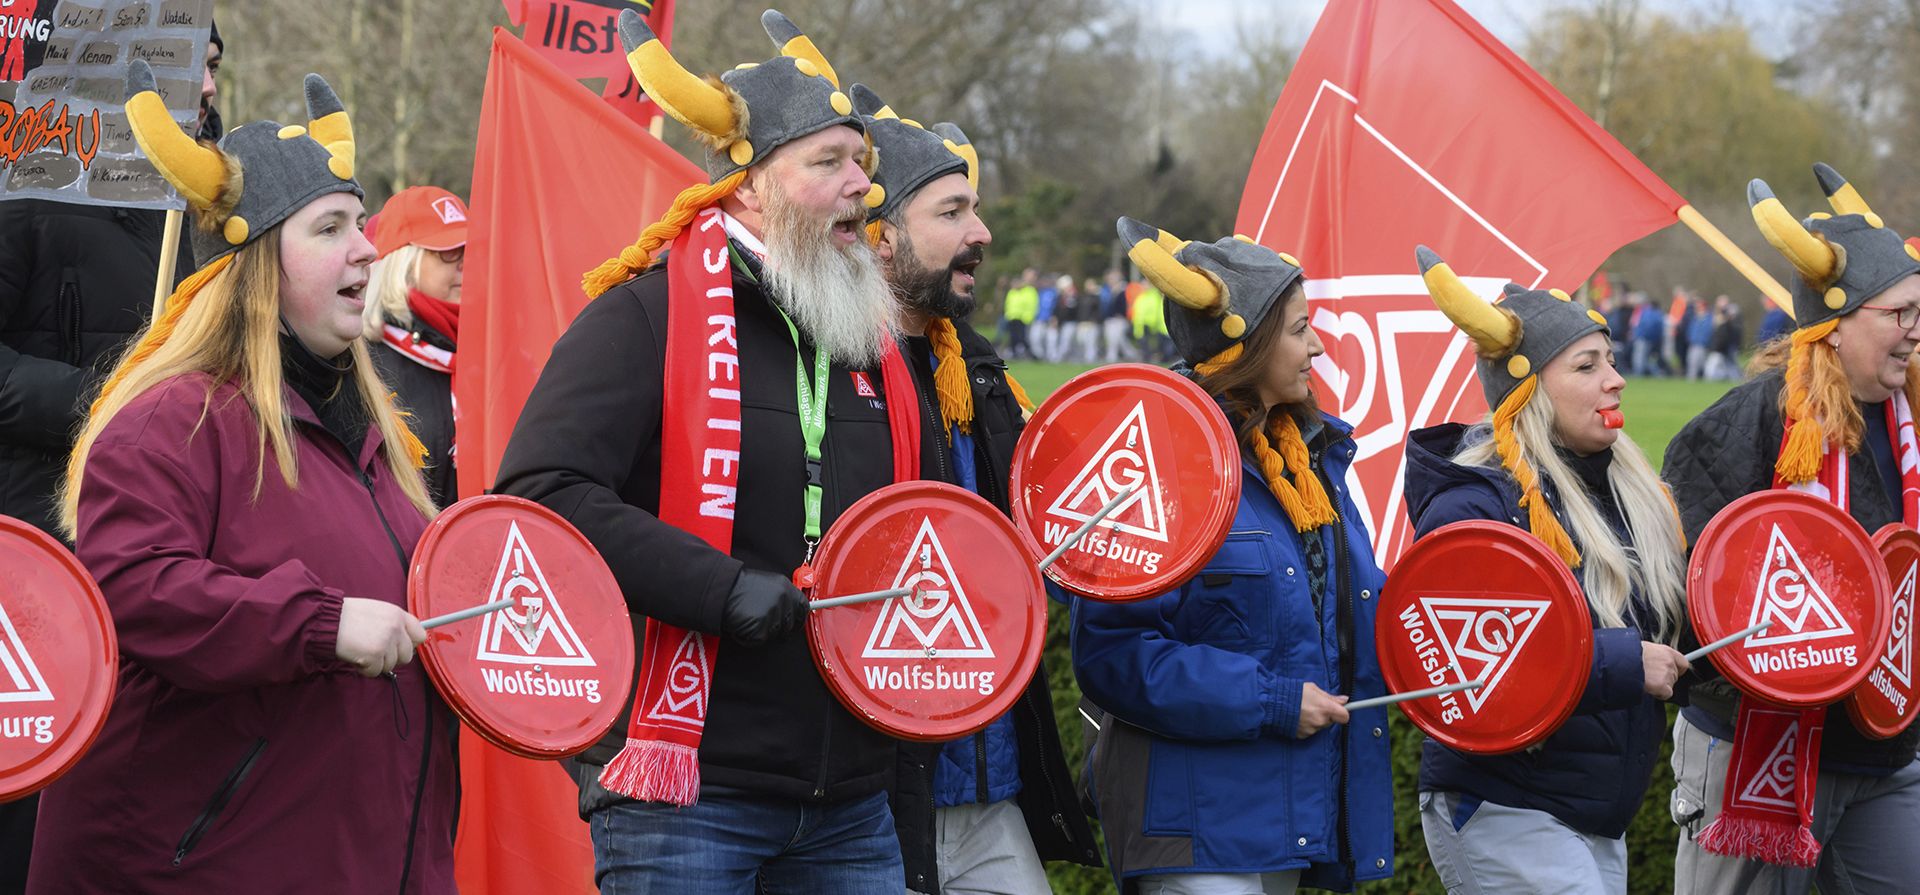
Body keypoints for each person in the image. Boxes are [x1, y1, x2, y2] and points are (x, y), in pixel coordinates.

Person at [491, 11, 921, 892]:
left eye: (862, 166)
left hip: (852, 795)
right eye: (829, 164)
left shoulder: (870, 345)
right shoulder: (644, 315)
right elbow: (541, 494)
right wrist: (718, 590)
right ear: (749, 185)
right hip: (690, 799)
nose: (863, 190)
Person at [30, 67, 453, 893]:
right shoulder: (167, 423)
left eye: (362, 225)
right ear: (257, 264)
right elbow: (133, 592)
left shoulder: (382, 438)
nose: (368, 247)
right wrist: (321, 625)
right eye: (331, 228)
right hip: (195, 865)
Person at [1074, 219, 1394, 894]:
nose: (1318, 344)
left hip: (1284, 827)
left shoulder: (1311, 463)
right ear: (1244, 344)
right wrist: (1273, 701)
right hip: (1195, 835)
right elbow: (1116, 653)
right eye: (1300, 327)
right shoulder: (1161, 465)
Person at [844, 87, 1104, 894]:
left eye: (976, 210)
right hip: (871, 798)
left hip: (991, 787)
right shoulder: (828, 373)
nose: (982, 233)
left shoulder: (983, 372)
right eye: (953, 212)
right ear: (882, 240)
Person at [0, 23, 222, 886]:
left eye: (214, 69)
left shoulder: (206, 220)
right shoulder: (26, 199)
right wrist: (108, 406)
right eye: (195, 66)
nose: (207, 90)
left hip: (155, 563)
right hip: (32, 563)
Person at [1403, 248, 1692, 894]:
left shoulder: (1626, 490)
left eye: (1611, 361)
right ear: (1529, 390)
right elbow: (1463, 658)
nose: (1615, 379)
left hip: (1589, 813)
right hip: (1502, 804)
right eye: (1587, 366)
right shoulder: (1474, 504)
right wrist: (1622, 663)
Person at [1664, 164, 1920, 894]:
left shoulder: (1914, 425)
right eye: (1898, 314)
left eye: (1919, 313)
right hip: (1759, 749)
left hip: (1888, 753)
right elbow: (1688, 583)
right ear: (1835, 328)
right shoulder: (1747, 425)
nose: (1914, 333)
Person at [362, 185, 467, 506]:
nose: (465, 263)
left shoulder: (492, 353)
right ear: (403, 264)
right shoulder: (364, 364)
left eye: (472, 248)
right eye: (449, 251)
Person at [1101, 269, 1139, 363]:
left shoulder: (1123, 290)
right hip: (1110, 319)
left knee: (1115, 340)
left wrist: (1124, 315)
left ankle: (1111, 357)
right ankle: (1132, 354)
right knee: (1120, 340)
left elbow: (1126, 304)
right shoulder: (1108, 291)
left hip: (1119, 319)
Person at [1003, 269, 1038, 359]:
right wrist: (1008, 315)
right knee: (1013, 338)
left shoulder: (1029, 291)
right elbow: (1008, 304)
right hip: (1012, 317)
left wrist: (1028, 317)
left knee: (1022, 338)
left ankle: (1031, 355)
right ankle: (1015, 354)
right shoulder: (1012, 292)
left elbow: (1031, 304)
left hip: (1023, 318)